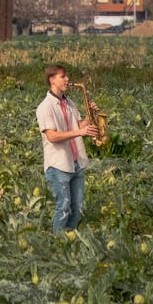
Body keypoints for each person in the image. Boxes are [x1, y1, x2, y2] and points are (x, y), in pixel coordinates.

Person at [35, 64, 99, 233]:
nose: (67, 79)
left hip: (75, 162)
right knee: (63, 208)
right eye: (63, 76)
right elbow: (52, 136)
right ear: (52, 80)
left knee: (77, 208)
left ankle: (69, 242)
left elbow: (78, 125)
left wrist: (89, 116)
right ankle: (57, 244)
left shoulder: (69, 102)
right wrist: (81, 131)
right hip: (58, 165)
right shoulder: (45, 107)